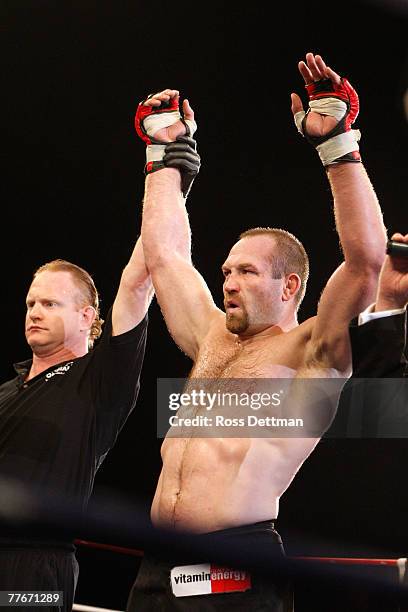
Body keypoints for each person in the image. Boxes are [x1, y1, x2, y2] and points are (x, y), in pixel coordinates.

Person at [128, 52, 387, 611]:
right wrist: (163, 158)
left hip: (234, 564)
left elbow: (367, 262)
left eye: (246, 271)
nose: (230, 282)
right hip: (157, 562)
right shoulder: (211, 337)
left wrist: (338, 146)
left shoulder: (312, 351)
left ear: (291, 286)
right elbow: (166, 256)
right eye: (226, 271)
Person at [0, 237, 153, 610]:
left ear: (86, 317)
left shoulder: (99, 380)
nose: (34, 312)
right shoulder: (5, 390)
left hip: (35, 565)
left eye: (50, 304)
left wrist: (167, 180)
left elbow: (136, 281)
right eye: (31, 304)